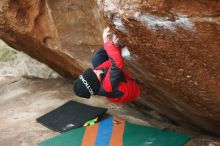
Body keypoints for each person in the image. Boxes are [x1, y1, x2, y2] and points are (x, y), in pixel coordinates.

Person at [73, 27, 140, 103]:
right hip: (132, 89)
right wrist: (107, 43)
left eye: (92, 71)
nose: (95, 70)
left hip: (113, 81)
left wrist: (114, 46)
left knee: (96, 59)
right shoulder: (108, 86)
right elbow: (117, 64)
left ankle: (116, 45)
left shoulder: (98, 74)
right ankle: (134, 81)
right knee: (113, 62)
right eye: (95, 74)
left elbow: (109, 64)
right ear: (96, 84)